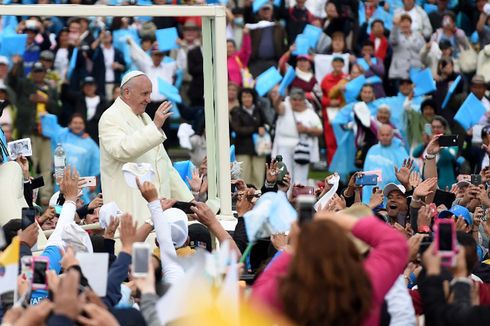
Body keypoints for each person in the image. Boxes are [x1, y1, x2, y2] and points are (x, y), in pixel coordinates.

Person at [252, 209, 408, 326]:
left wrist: (295, 246)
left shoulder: (289, 290)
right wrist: (337, 219)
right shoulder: (365, 283)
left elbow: (257, 297)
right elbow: (395, 243)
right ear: (347, 249)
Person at [98, 71, 193, 225]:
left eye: (150, 93)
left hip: (158, 208)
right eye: (144, 94)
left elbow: (164, 164)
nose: (149, 99)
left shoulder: (145, 117)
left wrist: (189, 202)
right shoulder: (110, 117)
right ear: (127, 92)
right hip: (131, 209)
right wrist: (155, 126)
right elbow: (122, 150)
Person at [271, 88, 323, 186]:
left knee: (301, 176)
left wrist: (307, 129)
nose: (297, 102)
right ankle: (284, 197)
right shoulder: (285, 107)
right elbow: (276, 106)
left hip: (302, 148)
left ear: (304, 100)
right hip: (284, 145)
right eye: (294, 99)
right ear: (290, 99)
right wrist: (279, 96)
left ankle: (298, 198)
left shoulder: (310, 113)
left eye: (300, 100)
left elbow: (319, 130)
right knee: (284, 174)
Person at [230, 88, 268, 188]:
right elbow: (237, 129)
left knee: (258, 174)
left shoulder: (259, 110)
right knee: (243, 175)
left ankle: (257, 197)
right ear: (240, 99)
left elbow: (267, 123)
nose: (247, 99)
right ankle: (243, 196)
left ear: (253, 97)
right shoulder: (237, 111)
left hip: (259, 148)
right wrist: (256, 129)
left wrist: (264, 128)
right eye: (244, 97)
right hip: (242, 148)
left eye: (249, 96)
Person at [362, 124, 410, 203]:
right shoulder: (372, 150)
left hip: (393, 192)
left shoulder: (400, 150)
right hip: (372, 192)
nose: (384, 137)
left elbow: (409, 168)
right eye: (382, 135)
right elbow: (366, 172)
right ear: (378, 135)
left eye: (387, 135)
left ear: (392, 135)